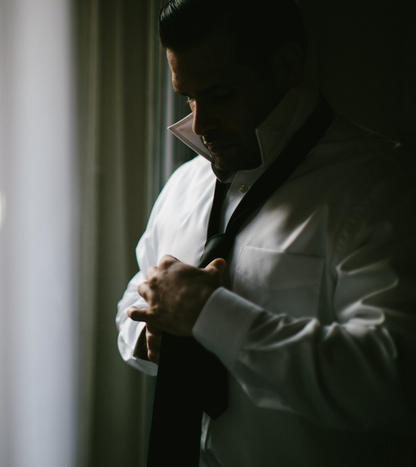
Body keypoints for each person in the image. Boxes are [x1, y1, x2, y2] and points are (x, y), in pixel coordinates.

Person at [115, 0, 416, 465]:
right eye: (188, 98)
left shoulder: (380, 188)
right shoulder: (183, 186)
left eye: (219, 95)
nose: (199, 125)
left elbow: (390, 379)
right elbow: (132, 300)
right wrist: (151, 331)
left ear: (286, 65)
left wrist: (209, 314)